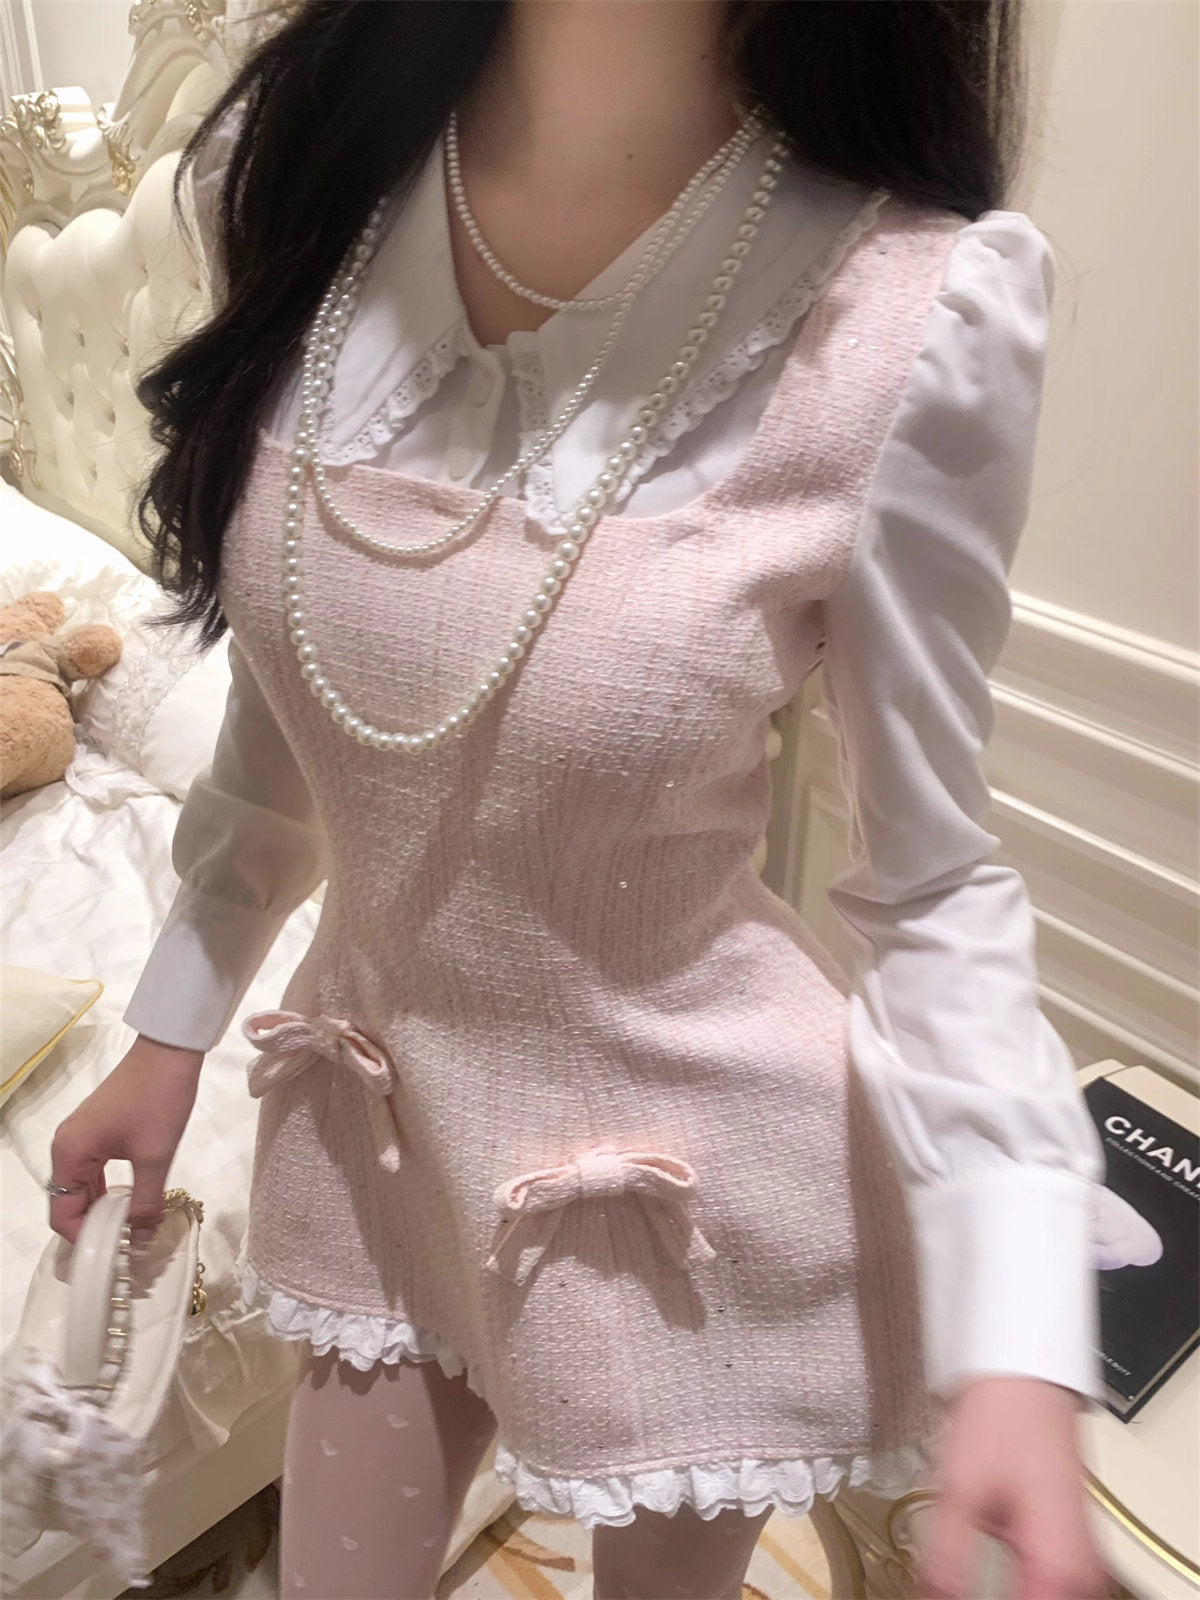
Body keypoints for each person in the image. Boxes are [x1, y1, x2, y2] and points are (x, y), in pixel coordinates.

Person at [45, 3, 1112, 1597]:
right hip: (372, 1118)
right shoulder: (297, 171)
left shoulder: (905, 312)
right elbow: (299, 670)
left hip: (681, 1195)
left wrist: (1021, 1329)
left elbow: (930, 881)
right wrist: (173, 1023)